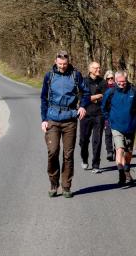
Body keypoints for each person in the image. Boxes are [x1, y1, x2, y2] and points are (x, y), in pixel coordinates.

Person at [41, 50, 90, 198]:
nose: (62, 66)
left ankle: (66, 186)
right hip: (53, 118)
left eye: (65, 64)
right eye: (60, 64)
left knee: (68, 155)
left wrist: (82, 106)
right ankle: (53, 184)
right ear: (55, 61)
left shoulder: (76, 75)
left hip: (70, 119)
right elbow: (44, 98)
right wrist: (43, 119)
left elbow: (86, 93)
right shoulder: (49, 76)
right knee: (53, 152)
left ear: (68, 62)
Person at [102, 70, 136, 186]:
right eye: (119, 81)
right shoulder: (110, 92)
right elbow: (104, 108)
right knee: (119, 149)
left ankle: (126, 168)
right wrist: (109, 120)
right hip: (116, 126)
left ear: (127, 80)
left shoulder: (133, 91)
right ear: (115, 81)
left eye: (124, 81)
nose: (121, 83)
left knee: (128, 152)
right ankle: (121, 171)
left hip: (131, 126)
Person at [79, 62, 107, 173]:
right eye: (96, 68)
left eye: (99, 67)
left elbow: (105, 97)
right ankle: (84, 159)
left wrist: (92, 97)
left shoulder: (103, 82)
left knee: (97, 140)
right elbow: (81, 97)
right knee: (83, 140)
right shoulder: (84, 81)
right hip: (85, 114)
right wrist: (96, 96)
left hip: (99, 115)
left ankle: (96, 165)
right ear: (90, 69)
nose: (99, 69)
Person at [103, 70, 115, 161]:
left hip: (116, 114)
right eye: (108, 78)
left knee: (118, 134)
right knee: (108, 133)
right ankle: (109, 151)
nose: (110, 80)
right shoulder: (104, 88)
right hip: (107, 114)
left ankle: (118, 150)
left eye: (112, 78)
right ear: (106, 79)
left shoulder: (118, 88)